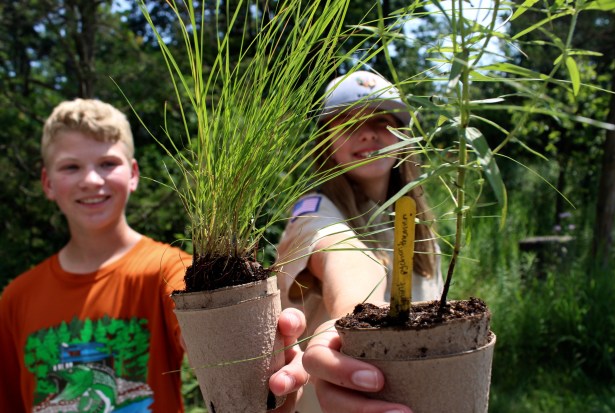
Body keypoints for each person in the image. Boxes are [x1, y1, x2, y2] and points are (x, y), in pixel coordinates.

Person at [0, 98, 308, 413]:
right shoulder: (16, 299)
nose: (91, 180)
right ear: (47, 183)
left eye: (107, 163)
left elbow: (199, 321)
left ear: (133, 174)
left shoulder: (168, 269)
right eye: (70, 167)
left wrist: (265, 372)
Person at [276, 70, 444, 411]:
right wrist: (360, 320)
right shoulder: (314, 209)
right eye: (348, 124)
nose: (367, 133)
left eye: (382, 121)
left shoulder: (419, 224)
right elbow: (337, 248)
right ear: (327, 142)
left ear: (405, 138)